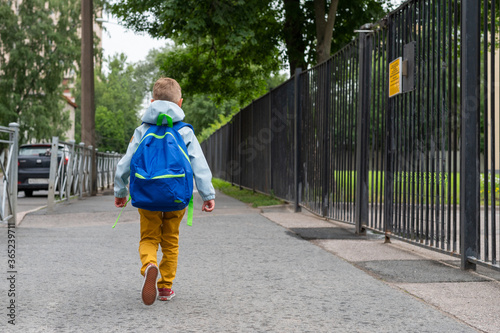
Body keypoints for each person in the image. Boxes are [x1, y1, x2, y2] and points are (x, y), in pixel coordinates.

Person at [114, 77, 216, 305]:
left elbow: (125, 163)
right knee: (171, 240)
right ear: (179, 103)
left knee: (149, 237)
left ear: (152, 102)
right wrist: (207, 195)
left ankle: (149, 264)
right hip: (176, 196)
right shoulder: (184, 131)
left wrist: (120, 190)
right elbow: (199, 164)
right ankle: (165, 287)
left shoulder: (142, 130)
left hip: (147, 195)